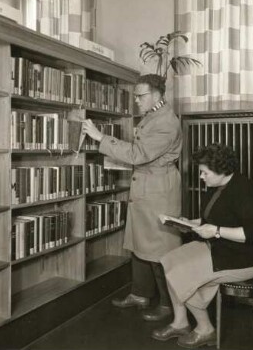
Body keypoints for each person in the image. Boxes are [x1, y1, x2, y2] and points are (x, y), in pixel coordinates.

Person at [81, 74, 183, 321]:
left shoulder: (167, 122)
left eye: (141, 95)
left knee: (160, 248)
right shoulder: (153, 115)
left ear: (157, 95)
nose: (136, 100)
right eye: (136, 95)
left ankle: (168, 304)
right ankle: (140, 293)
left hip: (158, 190)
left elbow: (138, 154)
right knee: (139, 243)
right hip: (147, 186)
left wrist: (100, 138)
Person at [152, 143, 253, 348]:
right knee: (169, 260)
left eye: (205, 173)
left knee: (181, 273)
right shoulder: (217, 186)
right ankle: (180, 322)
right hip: (220, 247)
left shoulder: (245, 191)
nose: (201, 177)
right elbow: (215, 217)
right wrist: (189, 223)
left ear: (222, 170)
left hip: (245, 257)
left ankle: (205, 329)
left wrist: (215, 231)